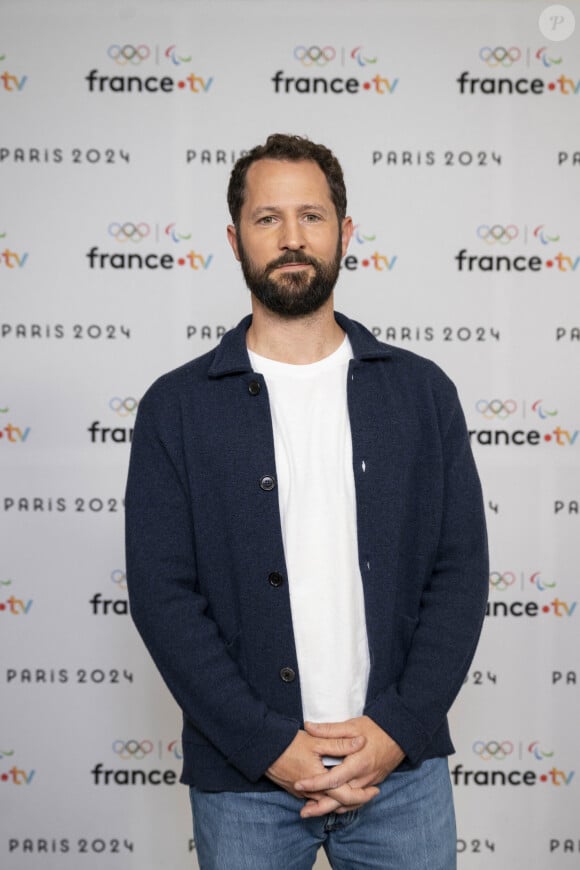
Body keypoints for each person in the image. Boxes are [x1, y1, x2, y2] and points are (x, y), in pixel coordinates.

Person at [125, 133, 489, 870]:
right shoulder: (177, 408)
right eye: (268, 220)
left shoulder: (421, 394)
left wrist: (395, 733)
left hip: (403, 776)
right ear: (235, 239)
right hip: (245, 784)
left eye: (312, 217)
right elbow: (164, 598)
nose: (292, 239)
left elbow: (459, 575)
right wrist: (272, 750)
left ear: (345, 232)